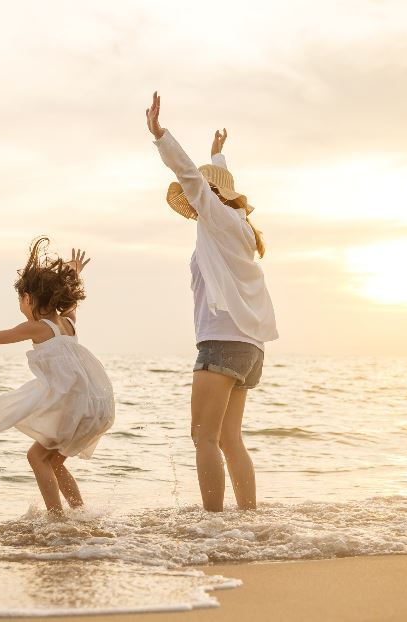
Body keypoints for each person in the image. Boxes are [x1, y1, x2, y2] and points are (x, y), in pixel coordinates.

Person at [145, 91, 278, 512]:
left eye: (201, 196)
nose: (195, 204)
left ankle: (213, 525)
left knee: (203, 437)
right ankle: (248, 521)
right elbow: (209, 183)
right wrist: (218, 157)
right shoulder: (238, 226)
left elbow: (190, 176)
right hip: (249, 349)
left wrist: (160, 135)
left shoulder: (217, 218)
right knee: (228, 438)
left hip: (220, 342)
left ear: (210, 197)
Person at [0, 238, 115, 515]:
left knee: (36, 457)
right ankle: (80, 513)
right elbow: (72, 307)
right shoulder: (68, 323)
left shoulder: (37, 327)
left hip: (74, 405)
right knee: (54, 462)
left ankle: (57, 518)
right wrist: (74, 275)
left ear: (30, 299)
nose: (21, 305)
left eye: (21, 299)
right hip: (95, 405)